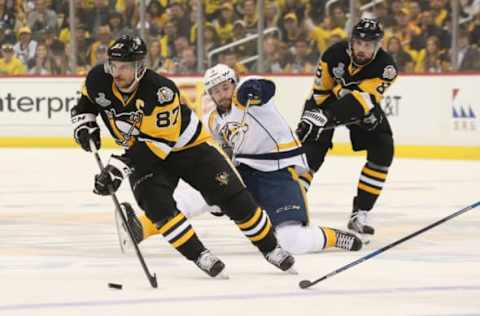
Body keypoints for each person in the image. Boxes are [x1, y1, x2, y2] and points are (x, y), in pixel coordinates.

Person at [70, 35, 295, 278]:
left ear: (139, 67)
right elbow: (86, 104)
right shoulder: (98, 78)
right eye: (113, 65)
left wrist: (117, 168)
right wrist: (85, 124)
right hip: (144, 155)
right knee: (157, 207)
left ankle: (271, 248)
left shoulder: (161, 91)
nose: (116, 72)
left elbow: (157, 145)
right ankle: (200, 255)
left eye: (124, 66)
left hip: (188, 149)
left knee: (234, 198)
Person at [126, 64, 363, 254]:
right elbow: (226, 153)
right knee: (196, 194)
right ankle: (140, 227)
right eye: (215, 91)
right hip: (244, 171)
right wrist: (219, 196)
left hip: (278, 174)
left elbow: (264, 87)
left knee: (292, 242)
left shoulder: (246, 96)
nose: (222, 94)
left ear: (234, 83)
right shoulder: (213, 121)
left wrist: (256, 89)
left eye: (225, 87)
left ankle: (333, 237)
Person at [296, 18, 398, 235]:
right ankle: (290, 210)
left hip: (359, 105)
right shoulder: (332, 54)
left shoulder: (386, 67)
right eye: (359, 43)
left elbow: (361, 101)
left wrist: (329, 118)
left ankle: (360, 212)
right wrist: (319, 120)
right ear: (352, 41)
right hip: (325, 103)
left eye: (368, 45)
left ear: (377, 46)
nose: (362, 49)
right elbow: (321, 93)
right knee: (310, 153)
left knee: (383, 147)